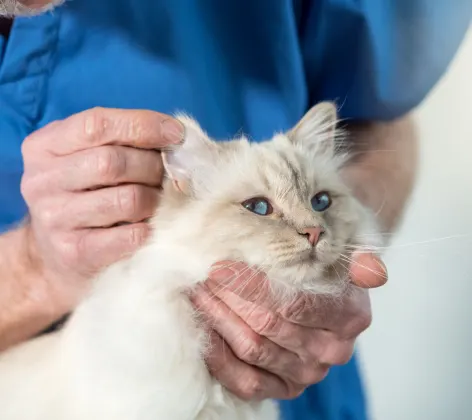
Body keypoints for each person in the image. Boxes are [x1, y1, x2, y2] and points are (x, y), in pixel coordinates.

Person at [0, 1, 470, 419]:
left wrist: (348, 254)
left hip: (305, 388)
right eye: (260, 207)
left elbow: (380, 113)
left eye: (318, 205)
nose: (309, 229)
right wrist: (34, 270)